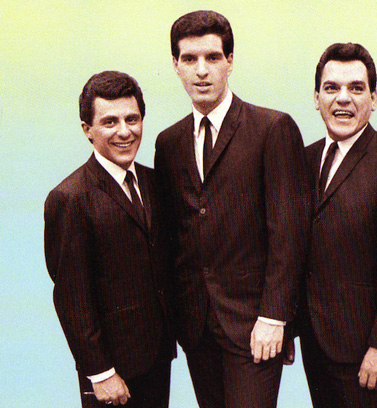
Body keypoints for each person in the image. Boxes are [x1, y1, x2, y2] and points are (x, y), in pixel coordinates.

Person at [154, 10, 310, 408]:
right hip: (197, 327)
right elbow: (175, 236)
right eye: (189, 59)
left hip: (255, 326)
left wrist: (276, 317)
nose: (201, 70)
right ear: (175, 65)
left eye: (212, 57)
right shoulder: (168, 143)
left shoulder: (272, 128)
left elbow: (289, 233)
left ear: (230, 61)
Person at [297, 42, 377, 408]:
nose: (343, 99)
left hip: (369, 352)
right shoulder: (302, 159)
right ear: (316, 98)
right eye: (331, 88)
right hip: (315, 343)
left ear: (373, 99)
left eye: (356, 88)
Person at [44, 71, 175, 407]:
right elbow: (72, 297)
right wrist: (100, 372)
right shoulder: (70, 198)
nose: (124, 131)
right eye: (109, 122)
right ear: (87, 129)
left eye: (132, 119)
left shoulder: (154, 182)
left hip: (157, 358)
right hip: (111, 372)